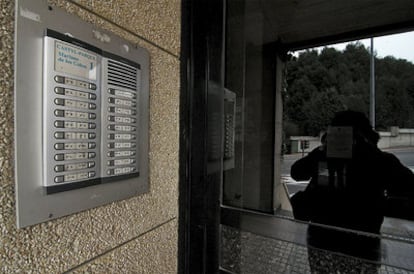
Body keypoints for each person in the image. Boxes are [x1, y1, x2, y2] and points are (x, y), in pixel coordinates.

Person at [290, 110, 414, 267]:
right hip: (361, 244)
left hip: (323, 239)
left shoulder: (375, 160)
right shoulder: (379, 160)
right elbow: (297, 173)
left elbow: (297, 172)